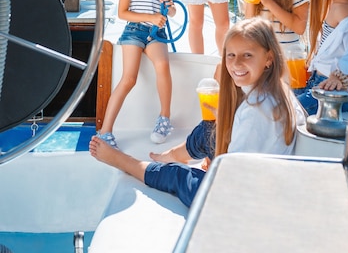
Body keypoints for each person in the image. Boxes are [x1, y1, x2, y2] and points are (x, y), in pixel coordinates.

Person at [89, 17, 305, 208]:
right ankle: (173, 154)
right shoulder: (276, 91)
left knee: (176, 175)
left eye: (247, 55)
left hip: (238, 198)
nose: (236, 63)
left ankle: (122, 161)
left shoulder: (255, 112)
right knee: (210, 129)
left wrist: (217, 162)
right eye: (230, 55)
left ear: (268, 58)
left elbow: (232, 177)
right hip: (256, 174)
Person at [96, 0, 176, 147]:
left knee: (162, 66)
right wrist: (151, 16)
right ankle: (105, 131)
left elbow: (172, 12)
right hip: (134, 31)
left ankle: (164, 118)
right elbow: (123, 13)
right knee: (128, 79)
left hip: (156, 35)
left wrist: (169, 9)